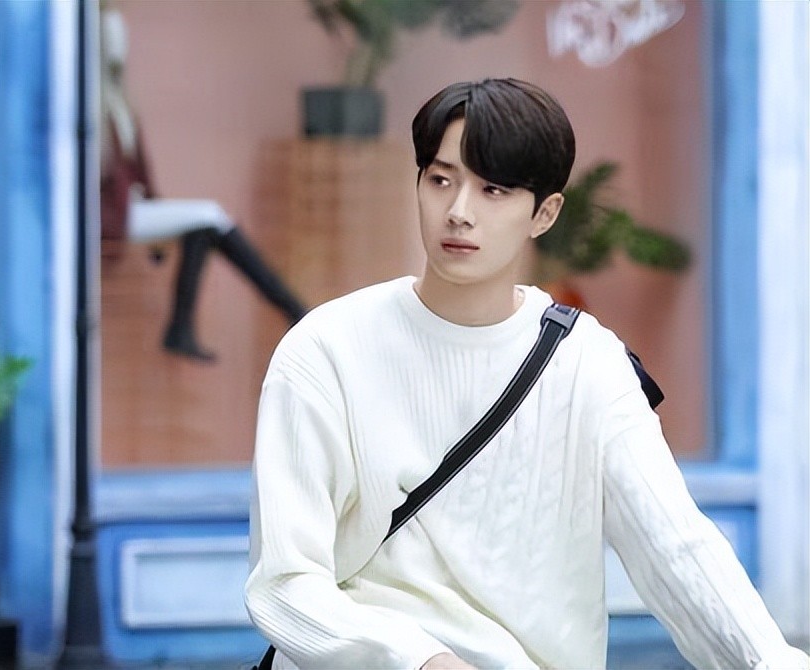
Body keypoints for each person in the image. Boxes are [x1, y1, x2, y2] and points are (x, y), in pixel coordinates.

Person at [244, 78, 809, 669]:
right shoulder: (326, 350)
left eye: (493, 190)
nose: (459, 212)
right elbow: (284, 582)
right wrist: (420, 660)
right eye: (441, 180)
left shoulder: (587, 364)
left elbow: (675, 547)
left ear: (544, 213)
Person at [99, 7, 307, 362]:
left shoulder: (119, 101)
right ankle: (296, 311)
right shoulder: (91, 104)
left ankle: (182, 330)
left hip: (132, 209)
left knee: (204, 229)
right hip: (110, 215)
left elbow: (137, 173)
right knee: (210, 216)